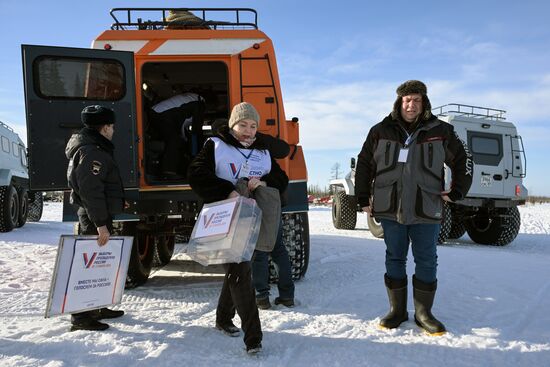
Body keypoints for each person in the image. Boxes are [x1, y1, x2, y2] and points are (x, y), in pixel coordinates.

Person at [355, 80, 473, 335]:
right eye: (407, 100)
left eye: (416, 100)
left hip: (426, 207)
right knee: (394, 258)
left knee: (427, 260)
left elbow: (463, 160)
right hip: (390, 207)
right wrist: (363, 198)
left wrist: (457, 191)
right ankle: (397, 311)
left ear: (424, 103)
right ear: (399, 102)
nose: (411, 105)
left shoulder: (441, 131)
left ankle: (423, 313)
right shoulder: (380, 130)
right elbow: (365, 164)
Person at [188, 102, 289, 354]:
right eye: (243, 124)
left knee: (236, 268)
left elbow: (282, 179)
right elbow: (196, 173)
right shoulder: (216, 145)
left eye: (253, 126)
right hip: (226, 217)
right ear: (232, 125)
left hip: (253, 219)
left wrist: (263, 181)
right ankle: (253, 337)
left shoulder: (263, 151)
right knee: (241, 272)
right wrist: (228, 190)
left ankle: (223, 318)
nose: (248, 130)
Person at [65, 105, 126, 331]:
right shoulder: (92, 152)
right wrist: (101, 224)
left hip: (95, 213)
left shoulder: (92, 147)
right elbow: (90, 191)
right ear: (104, 127)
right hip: (93, 217)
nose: (113, 131)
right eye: (111, 127)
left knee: (99, 263)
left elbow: (101, 185)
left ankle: (97, 306)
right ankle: (81, 317)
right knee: (88, 266)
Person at [150, 91, 205, 178]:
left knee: (176, 141)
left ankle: (166, 170)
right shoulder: (199, 103)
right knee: (175, 141)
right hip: (162, 114)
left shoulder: (192, 99)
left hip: (157, 113)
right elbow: (196, 129)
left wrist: (185, 138)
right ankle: (168, 172)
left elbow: (182, 122)